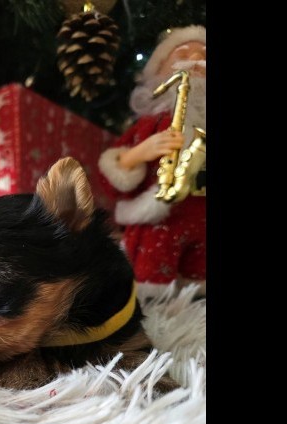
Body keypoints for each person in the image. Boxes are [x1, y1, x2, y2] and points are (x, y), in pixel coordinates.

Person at [98, 25, 206, 298]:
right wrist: (139, 153)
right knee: (150, 282)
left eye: (204, 56)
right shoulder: (149, 124)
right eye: (183, 54)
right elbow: (111, 177)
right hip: (157, 220)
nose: (195, 60)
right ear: (159, 72)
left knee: (198, 289)